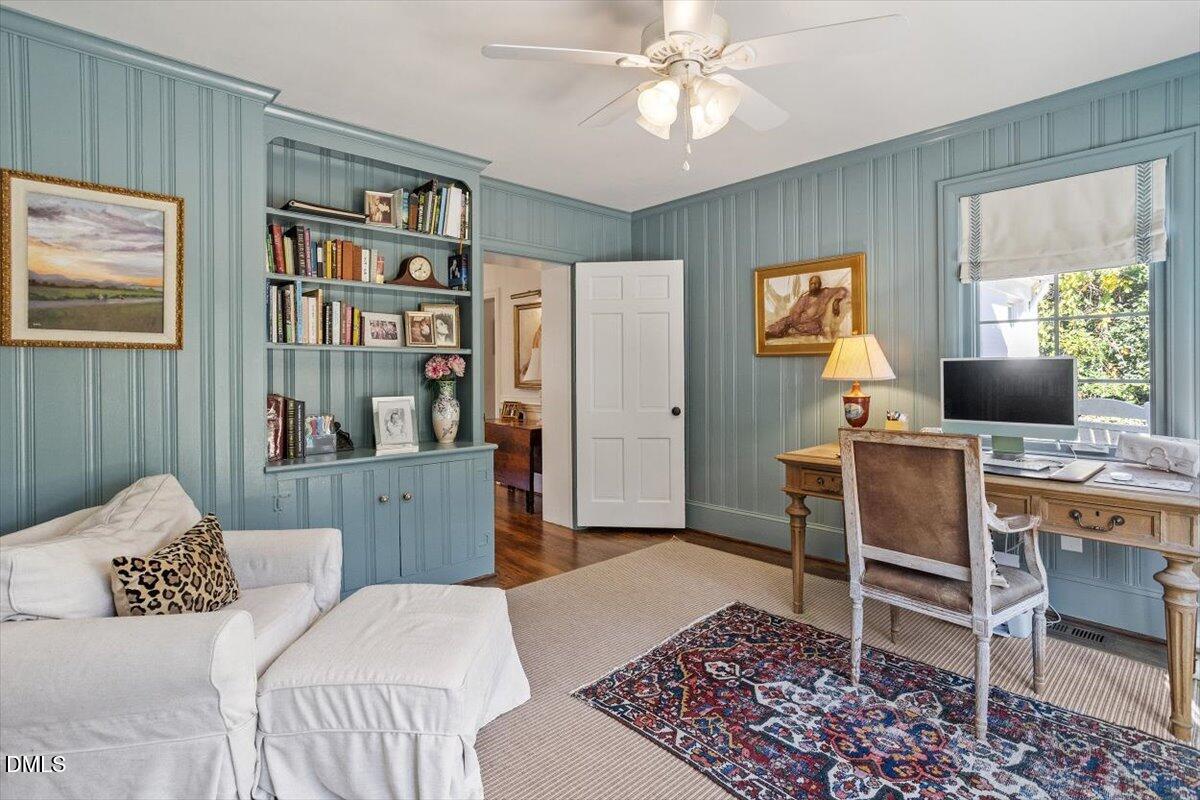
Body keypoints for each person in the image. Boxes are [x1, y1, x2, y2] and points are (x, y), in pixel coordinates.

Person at [764, 275, 850, 341]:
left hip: (814, 325)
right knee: (786, 320)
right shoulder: (805, 297)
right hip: (799, 322)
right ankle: (770, 332)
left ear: (820, 285)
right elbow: (795, 312)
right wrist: (795, 320)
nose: (813, 285)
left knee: (788, 322)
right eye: (811, 283)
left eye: (815, 283)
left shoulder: (825, 292)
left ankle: (775, 332)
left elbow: (843, 290)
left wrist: (836, 301)